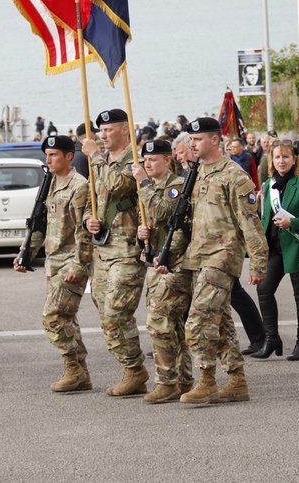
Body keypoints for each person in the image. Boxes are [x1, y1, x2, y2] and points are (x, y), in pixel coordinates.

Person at [179, 117, 268, 405]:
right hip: (198, 256)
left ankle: (206, 381)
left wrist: (258, 262)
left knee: (198, 321)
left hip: (222, 256)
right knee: (223, 324)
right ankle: (237, 381)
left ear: (215, 140)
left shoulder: (234, 175)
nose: (193, 144)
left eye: (198, 139)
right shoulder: (196, 173)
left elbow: (250, 223)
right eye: (191, 140)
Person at [14, 136, 93, 392]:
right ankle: (81, 373)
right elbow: (40, 224)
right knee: (67, 319)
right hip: (53, 261)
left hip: (71, 261)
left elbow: (84, 232)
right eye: (47, 155)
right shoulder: (50, 183)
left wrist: (79, 266)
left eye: (54, 155)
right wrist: (25, 253)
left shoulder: (79, 186)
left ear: (69, 156)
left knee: (53, 318)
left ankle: (73, 368)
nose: (48, 160)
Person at [82, 108, 148, 396]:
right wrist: (89, 219)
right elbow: (92, 199)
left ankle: (136, 369)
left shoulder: (134, 161)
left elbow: (118, 184)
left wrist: (95, 156)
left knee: (116, 313)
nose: (104, 135)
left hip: (127, 249)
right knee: (105, 317)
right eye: (101, 131)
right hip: (103, 250)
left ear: (125, 130)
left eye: (109, 130)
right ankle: (129, 369)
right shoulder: (100, 161)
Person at [131, 139, 196, 403]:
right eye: (145, 160)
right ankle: (183, 380)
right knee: (172, 327)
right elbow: (148, 223)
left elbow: (161, 211)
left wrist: (144, 183)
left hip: (174, 265)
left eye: (153, 159)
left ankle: (166, 382)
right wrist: (141, 234)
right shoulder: (148, 188)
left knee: (158, 324)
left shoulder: (175, 186)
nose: (147, 164)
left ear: (168, 160)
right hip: (156, 263)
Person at [251, 140, 299, 361]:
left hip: (298, 246)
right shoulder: (267, 186)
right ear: (271, 160)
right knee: (264, 290)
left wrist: (292, 223)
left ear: (294, 159)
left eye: (286, 156)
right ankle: (271, 338)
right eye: (277, 157)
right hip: (275, 249)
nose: (281, 161)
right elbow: (265, 218)